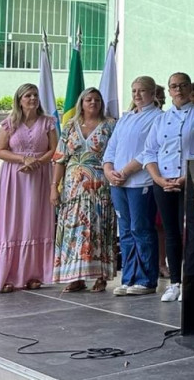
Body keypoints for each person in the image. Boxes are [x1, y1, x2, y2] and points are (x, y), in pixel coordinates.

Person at [0, 83, 57, 293]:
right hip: (15, 178)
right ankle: (7, 275)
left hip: (39, 176)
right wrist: (23, 159)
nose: (33, 99)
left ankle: (34, 274)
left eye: (35, 95)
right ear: (19, 100)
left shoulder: (48, 122)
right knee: (12, 222)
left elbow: (55, 149)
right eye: (28, 95)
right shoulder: (9, 123)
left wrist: (38, 162)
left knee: (35, 222)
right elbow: (0, 151)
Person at [140, 72, 194, 303]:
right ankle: (175, 282)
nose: (178, 90)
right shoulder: (160, 119)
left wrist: (185, 177)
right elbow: (149, 151)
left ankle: (191, 282)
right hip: (163, 181)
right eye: (173, 86)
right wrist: (158, 179)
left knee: (190, 232)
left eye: (182, 86)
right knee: (170, 233)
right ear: (168, 91)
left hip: (190, 180)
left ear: (190, 88)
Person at [52, 87, 117, 292]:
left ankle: (101, 276)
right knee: (74, 229)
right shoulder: (70, 126)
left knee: (99, 227)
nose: (92, 103)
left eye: (97, 99)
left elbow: (116, 152)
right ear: (81, 102)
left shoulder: (110, 125)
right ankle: (75, 276)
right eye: (88, 99)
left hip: (99, 183)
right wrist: (54, 187)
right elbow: (59, 159)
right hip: (72, 187)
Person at [103, 75, 163, 296]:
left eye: (142, 90)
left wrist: (126, 171)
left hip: (140, 182)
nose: (137, 95)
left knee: (141, 228)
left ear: (153, 93)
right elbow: (112, 148)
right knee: (126, 231)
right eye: (134, 90)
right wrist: (110, 170)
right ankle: (128, 278)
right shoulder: (126, 118)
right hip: (118, 183)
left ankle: (146, 280)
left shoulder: (158, 117)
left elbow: (149, 150)